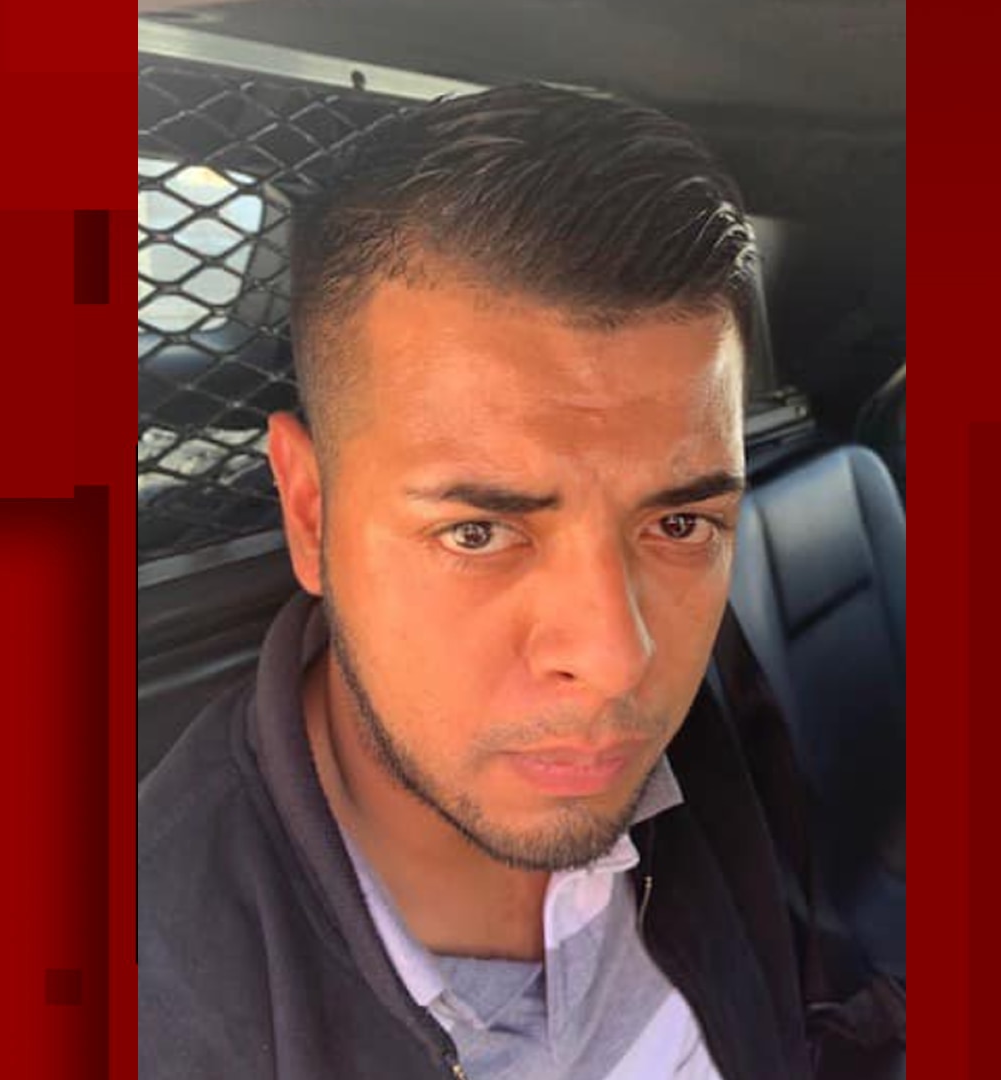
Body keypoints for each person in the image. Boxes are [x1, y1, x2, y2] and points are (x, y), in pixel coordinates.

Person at [140, 83, 821, 1080]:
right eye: (478, 532)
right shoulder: (156, 1004)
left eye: (678, 523)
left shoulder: (710, 744)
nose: (616, 659)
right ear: (311, 513)